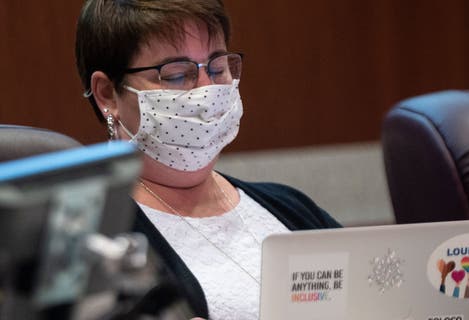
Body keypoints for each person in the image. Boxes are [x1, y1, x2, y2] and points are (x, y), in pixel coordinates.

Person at [75, 0, 341, 318]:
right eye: (176, 75)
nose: (207, 90)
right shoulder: (95, 239)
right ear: (107, 94)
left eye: (217, 68)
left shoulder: (291, 207)